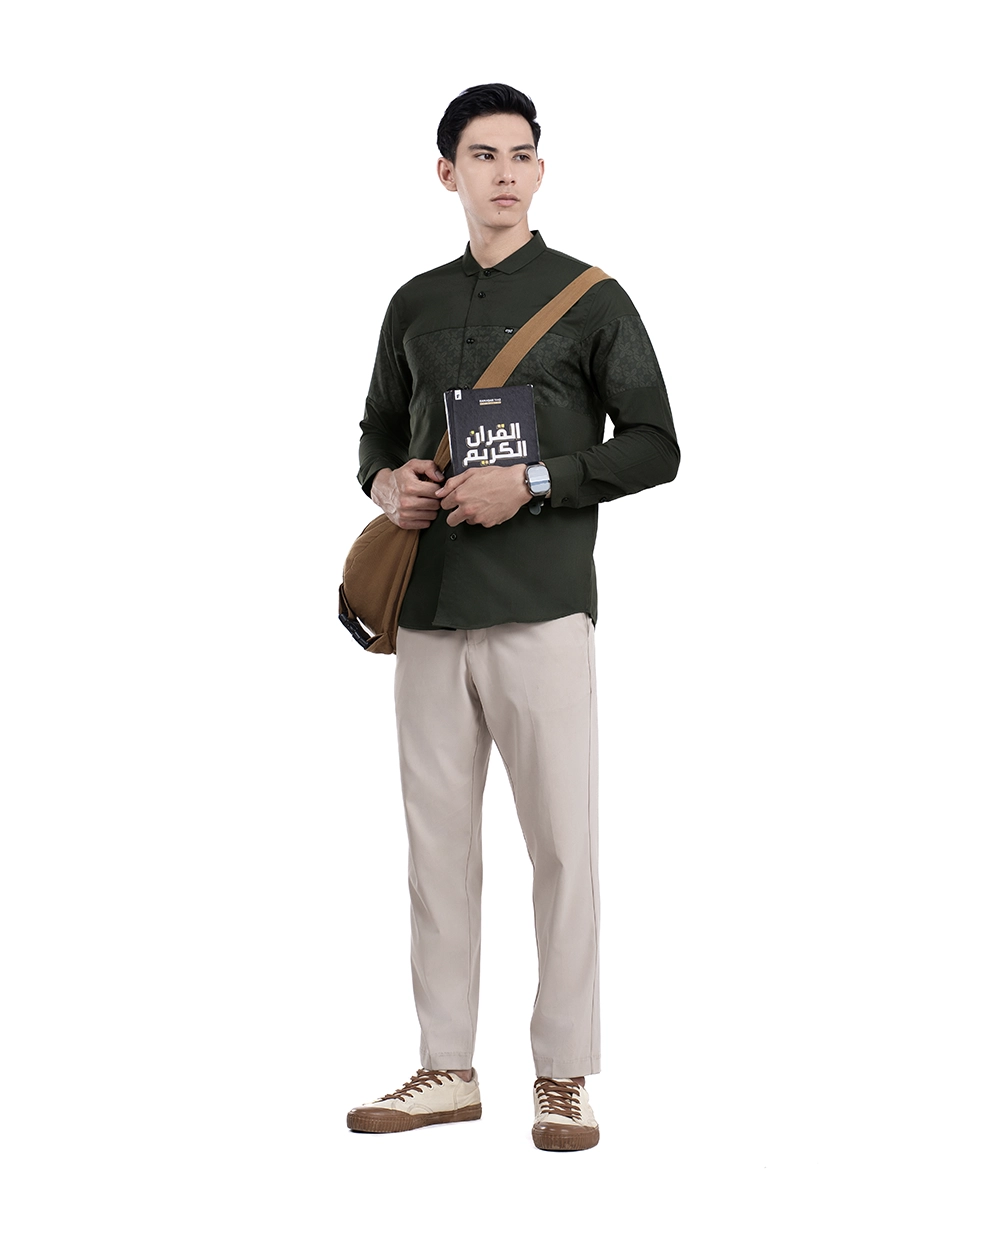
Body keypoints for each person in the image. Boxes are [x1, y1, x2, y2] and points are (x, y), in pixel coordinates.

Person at [346, 83, 680, 1151]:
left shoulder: (590, 298)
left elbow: (657, 443)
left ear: (540, 170)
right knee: (435, 850)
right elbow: (374, 429)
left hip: (540, 604)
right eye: (483, 154)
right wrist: (387, 482)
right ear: (447, 172)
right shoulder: (413, 302)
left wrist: (532, 479)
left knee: (562, 847)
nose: (504, 171)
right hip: (429, 610)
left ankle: (563, 1074)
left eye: (521, 154)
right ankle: (445, 1067)